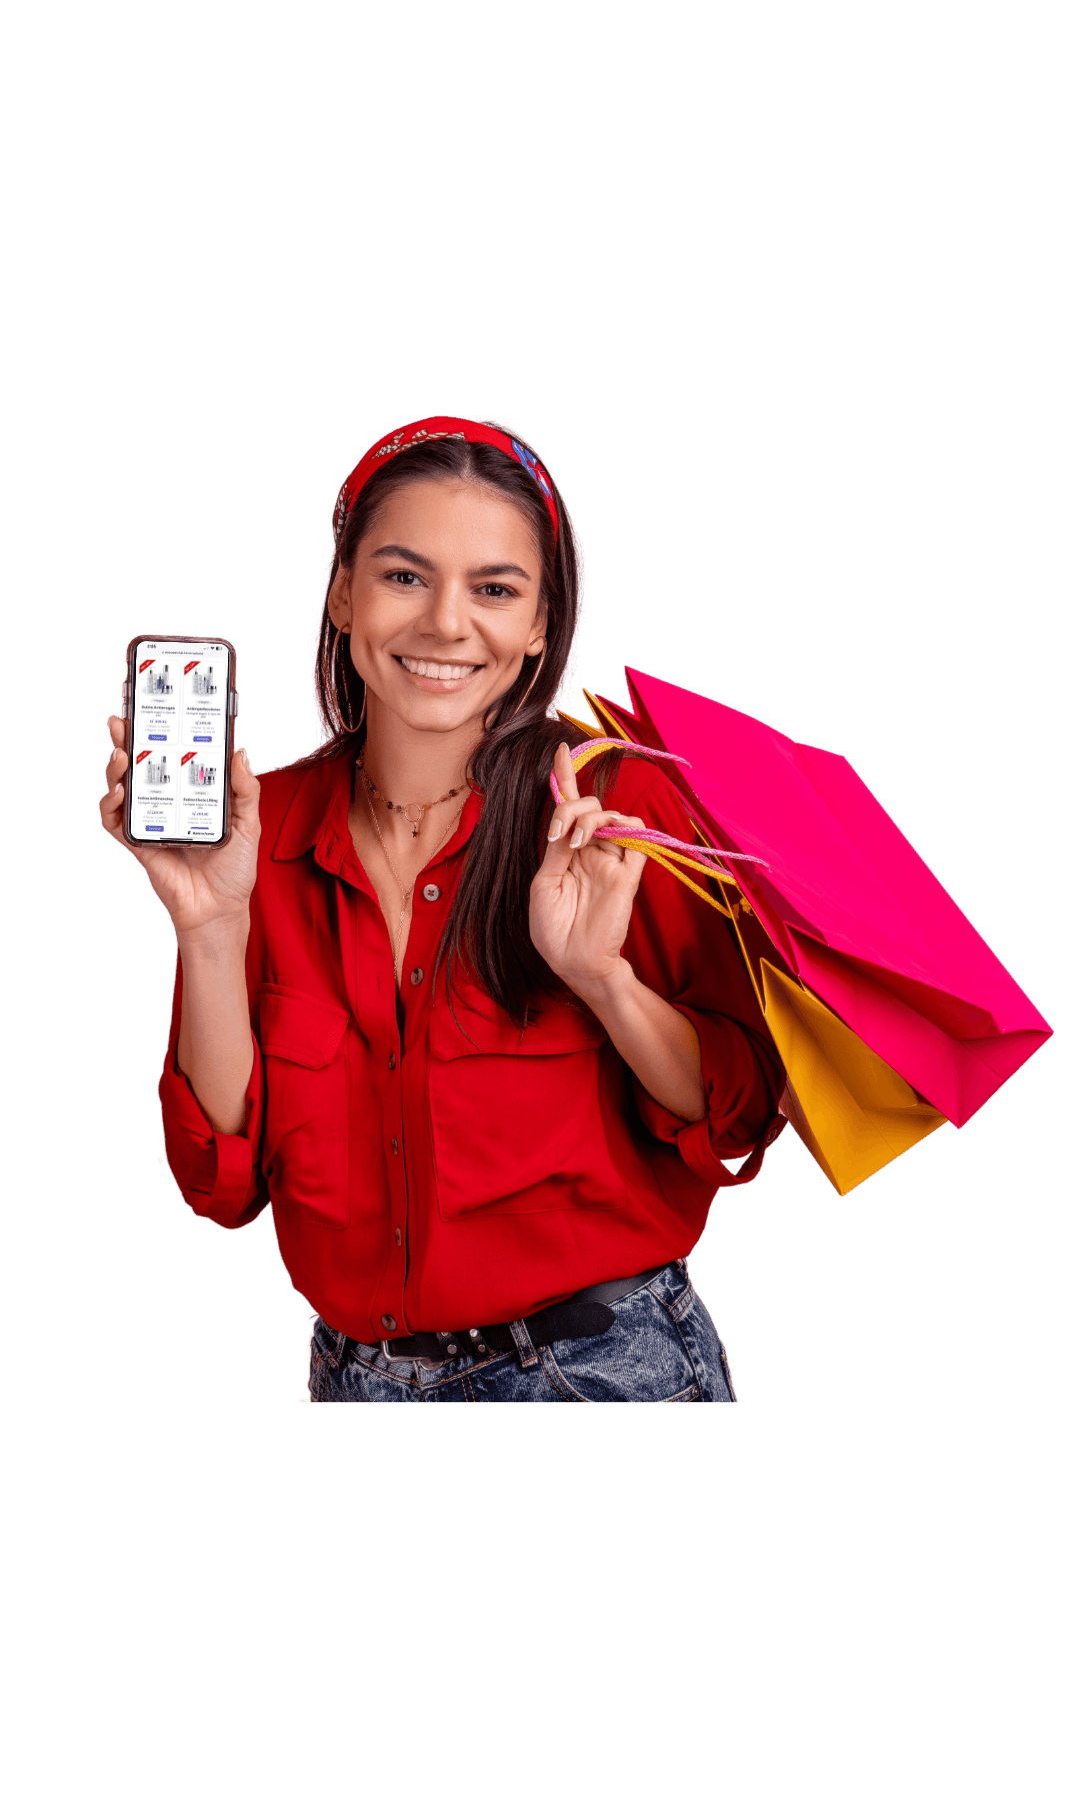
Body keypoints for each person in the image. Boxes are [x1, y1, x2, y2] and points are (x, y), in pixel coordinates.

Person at [99, 415, 786, 1403]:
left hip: (595, 1378)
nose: (446, 626)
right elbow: (224, 1181)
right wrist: (209, 927)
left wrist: (605, 979)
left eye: (496, 589)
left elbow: (727, 1117)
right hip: (353, 1380)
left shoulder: (612, 810)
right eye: (404, 576)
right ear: (342, 593)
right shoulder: (258, 825)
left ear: (542, 623)